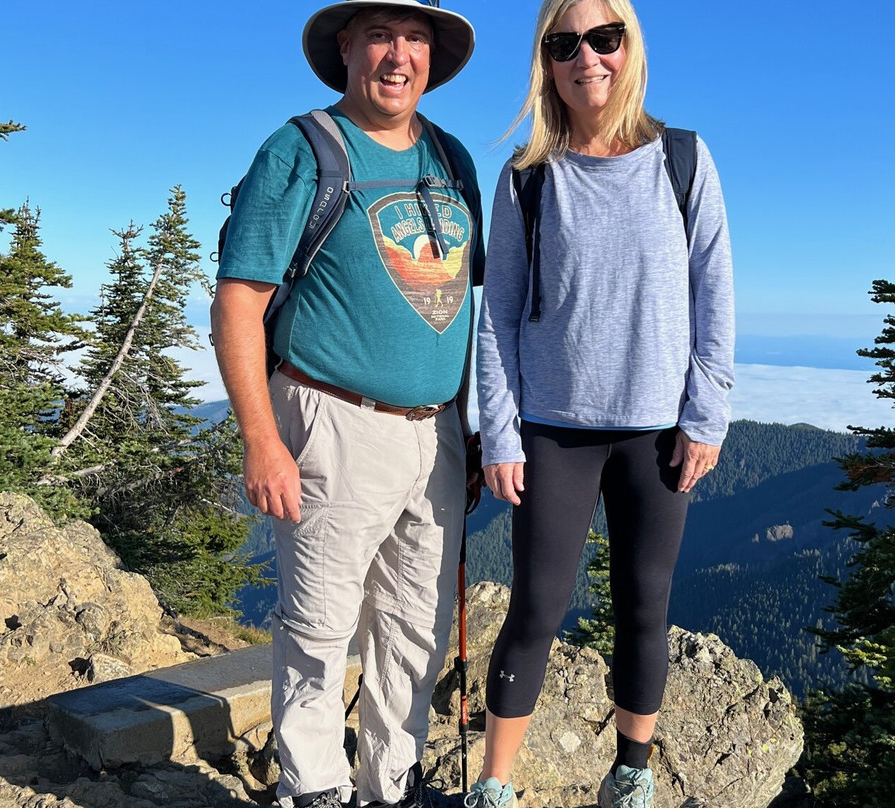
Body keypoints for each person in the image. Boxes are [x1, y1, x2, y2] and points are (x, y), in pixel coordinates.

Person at [210, 2, 483, 807]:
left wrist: (469, 431)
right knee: (320, 621)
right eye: (380, 37)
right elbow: (237, 303)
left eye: (416, 39)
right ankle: (317, 785)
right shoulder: (301, 150)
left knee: (415, 628)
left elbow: (469, 306)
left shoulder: (451, 156)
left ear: (433, 57)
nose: (399, 56)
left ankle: (389, 783)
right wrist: (262, 439)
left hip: (437, 434)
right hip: (332, 419)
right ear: (346, 49)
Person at [470, 0, 734, 806]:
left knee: (644, 606)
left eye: (605, 37)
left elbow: (713, 289)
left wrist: (707, 413)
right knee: (537, 609)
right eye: (564, 43)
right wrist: (499, 435)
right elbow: (500, 312)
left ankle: (631, 776)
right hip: (553, 428)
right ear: (546, 63)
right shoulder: (528, 175)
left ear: (631, 46)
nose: (588, 57)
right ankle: (493, 785)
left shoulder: (682, 158)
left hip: (658, 429)